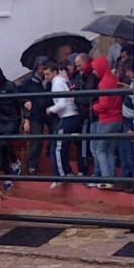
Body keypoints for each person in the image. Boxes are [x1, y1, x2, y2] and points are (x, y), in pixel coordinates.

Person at [44, 61, 81, 189]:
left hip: (67, 116)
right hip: (69, 115)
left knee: (58, 147)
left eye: (48, 74)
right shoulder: (60, 81)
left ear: (54, 71)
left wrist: (51, 109)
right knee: (61, 145)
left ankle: (60, 175)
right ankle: (67, 171)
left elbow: (63, 102)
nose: (46, 77)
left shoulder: (57, 84)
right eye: (45, 75)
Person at [0, 65, 21, 190]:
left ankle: (13, 166)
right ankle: (9, 172)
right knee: (2, 145)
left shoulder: (10, 86)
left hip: (11, 119)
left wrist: (20, 117)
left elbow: (18, 102)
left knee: (4, 143)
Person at [91, 56, 123, 189]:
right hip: (118, 118)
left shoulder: (103, 83)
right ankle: (111, 178)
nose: (94, 71)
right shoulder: (114, 80)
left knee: (100, 149)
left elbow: (103, 105)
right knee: (109, 150)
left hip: (106, 119)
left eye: (94, 68)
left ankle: (105, 178)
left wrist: (94, 107)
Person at [20, 56, 51, 175]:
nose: (42, 70)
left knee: (56, 134)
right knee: (36, 140)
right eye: (39, 68)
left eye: (44, 68)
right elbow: (22, 96)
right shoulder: (29, 81)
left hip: (49, 111)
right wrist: (25, 102)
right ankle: (32, 165)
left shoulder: (51, 80)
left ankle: (50, 153)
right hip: (36, 113)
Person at [74, 53, 101, 181]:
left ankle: (84, 168)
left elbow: (88, 97)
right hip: (88, 113)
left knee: (89, 144)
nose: (77, 68)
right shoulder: (84, 76)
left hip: (90, 114)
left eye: (79, 65)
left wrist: (75, 98)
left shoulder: (92, 76)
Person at [118, 58, 134, 188]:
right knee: (123, 151)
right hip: (126, 121)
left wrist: (133, 127)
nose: (127, 74)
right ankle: (127, 180)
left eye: (129, 71)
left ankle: (131, 182)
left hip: (130, 123)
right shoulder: (132, 84)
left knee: (129, 154)